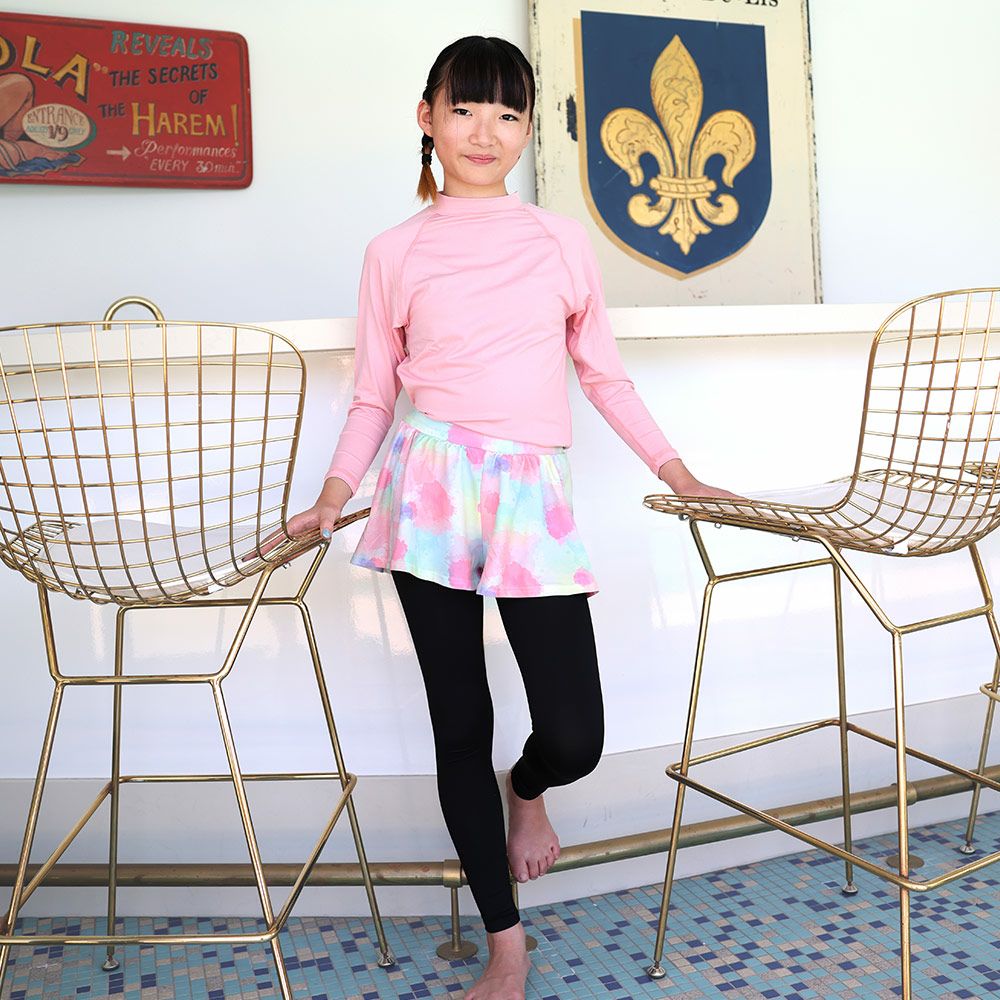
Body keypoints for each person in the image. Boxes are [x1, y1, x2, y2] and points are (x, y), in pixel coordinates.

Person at [280, 34, 740, 1000]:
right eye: (464, 108)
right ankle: (506, 945)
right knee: (461, 720)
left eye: (507, 112)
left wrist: (680, 471)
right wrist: (331, 493)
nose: (484, 132)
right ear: (427, 118)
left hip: (530, 493)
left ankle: (525, 790)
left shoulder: (559, 240)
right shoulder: (393, 251)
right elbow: (373, 392)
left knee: (574, 734)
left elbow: (602, 373)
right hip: (427, 489)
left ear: (528, 129)